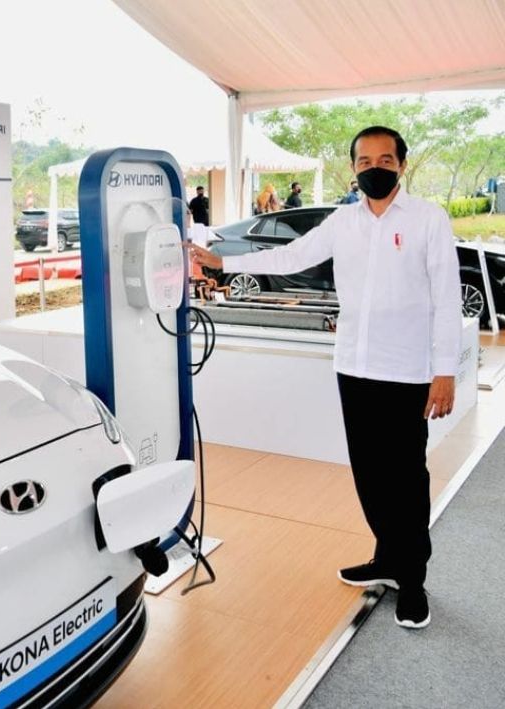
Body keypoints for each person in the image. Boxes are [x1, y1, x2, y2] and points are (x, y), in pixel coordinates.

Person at [187, 125, 461, 630]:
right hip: (354, 367)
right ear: (353, 168)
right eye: (364, 161)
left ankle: (412, 579)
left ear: (401, 165)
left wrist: (445, 371)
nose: (374, 169)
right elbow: (292, 255)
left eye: (384, 160)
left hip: (408, 372)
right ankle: (386, 558)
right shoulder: (343, 221)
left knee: (405, 478)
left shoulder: (428, 219)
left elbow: (447, 298)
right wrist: (223, 260)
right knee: (369, 473)